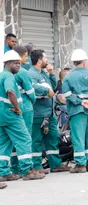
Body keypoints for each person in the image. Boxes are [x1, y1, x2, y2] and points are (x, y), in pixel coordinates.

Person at [0, 50, 45, 181]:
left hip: (2, 115)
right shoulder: (9, 76)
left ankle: (3, 172)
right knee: (25, 139)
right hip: (11, 114)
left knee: (4, 143)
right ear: (7, 64)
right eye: (16, 63)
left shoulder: (1, 75)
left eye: (19, 63)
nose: (19, 65)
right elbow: (10, 92)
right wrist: (17, 108)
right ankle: (27, 170)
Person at [62, 49, 88, 173]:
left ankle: (80, 165)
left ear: (73, 62)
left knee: (78, 137)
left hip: (77, 111)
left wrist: (80, 102)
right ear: (85, 62)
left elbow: (67, 94)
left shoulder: (68, 77)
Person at [29, 50, 70, 173]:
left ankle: (55, 164)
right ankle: (37, 167)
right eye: (45, 58)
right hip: (38, 114)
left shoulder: (43, 73)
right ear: (39, 60)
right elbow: (32, 88)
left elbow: (52, 86)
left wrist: (52, 73)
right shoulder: (31, 74)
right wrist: (45, 91)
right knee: (36, 141)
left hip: (49, 114)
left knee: (52, 138)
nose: (47, 60)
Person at [10, 46, 36, 175]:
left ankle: (15, 168)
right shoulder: (23, 72)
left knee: (13, 140)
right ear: (21, 56)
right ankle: (26, 168)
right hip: (25, 107)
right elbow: (31, 92)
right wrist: (33, 99)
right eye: (26, 56)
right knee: (25, 138)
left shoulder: (7, 72)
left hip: (12, 108)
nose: (27, 59)